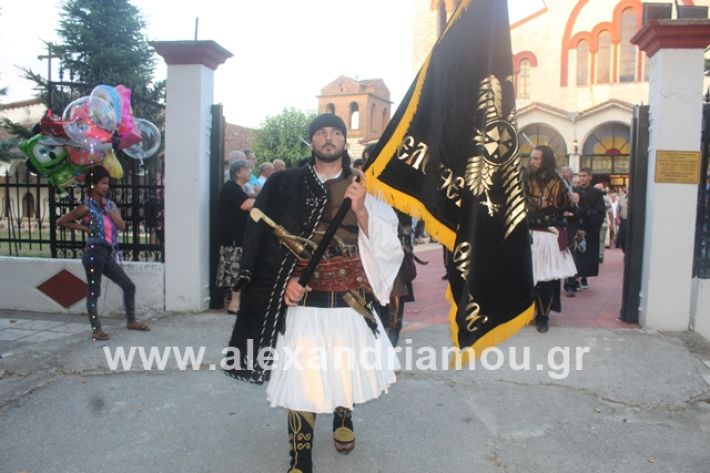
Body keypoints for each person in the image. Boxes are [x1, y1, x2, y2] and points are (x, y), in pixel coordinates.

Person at [225, 113, 403, 473]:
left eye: (335, 132)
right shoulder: (285, 184)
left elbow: (389, 244)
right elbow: (260, 240)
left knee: (344, 369)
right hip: (301, 296)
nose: (327, 137)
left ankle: (343, 414)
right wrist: (281, 278)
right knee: (300, 379)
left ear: (343, 140)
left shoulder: (365, 185)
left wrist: (362, 209)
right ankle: (300, 460)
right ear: (311, 141)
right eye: (320, 132)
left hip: (351, 298)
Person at [57, 166, 150, 341]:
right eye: (102, 183)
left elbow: (122, 227)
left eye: (107, 183)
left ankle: (131, 321)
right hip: (93, 252)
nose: (106, 187)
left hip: (107, 252)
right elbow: (62, 221)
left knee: (128, 286)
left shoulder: (111, 205)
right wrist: (83, 227)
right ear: (93, 185)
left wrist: (109, 210)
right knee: (94, 291)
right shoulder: (86, 207)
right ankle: (96, 330)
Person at [525, 146, 577, 332]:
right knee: (526, 278)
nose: (532, 161)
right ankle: (524, 314)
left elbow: (564, 210)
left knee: (546, 279)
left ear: (545, 160)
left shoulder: (558, 182)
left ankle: (543, 316)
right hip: (527, 234)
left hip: (547, 236)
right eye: (531, 158)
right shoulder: (524, 178)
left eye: (536, 158)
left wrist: (573, 200)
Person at [216, 160, 256, 313]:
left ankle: (234, 302)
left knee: (238, 270)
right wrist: (265, 199)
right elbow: (246, 204)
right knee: (236, 271)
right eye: (247, 169)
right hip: (233, 238)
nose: (250, 171)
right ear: (238, 173)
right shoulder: (231, 188)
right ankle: (234, 304)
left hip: (237, 237)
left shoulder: (237, 188)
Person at [570, 167, 606, 289]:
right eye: (580, 175)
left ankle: (584, 277)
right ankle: (574, 278)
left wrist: (589, 213)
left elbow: (600, 211)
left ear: (590, 177)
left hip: (590, 228)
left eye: (584, 175)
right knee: (575, 254)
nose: (581, 178)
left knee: (587, 254)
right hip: (576, 227)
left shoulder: (596, 193)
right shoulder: (574, 191)